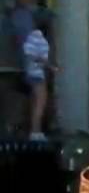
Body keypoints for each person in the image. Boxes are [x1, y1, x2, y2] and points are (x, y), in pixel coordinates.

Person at [23, 11, 54, 140]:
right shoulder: (38, 38)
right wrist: (48, 65)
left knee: (35, 103)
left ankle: (35, 131)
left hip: (32, 73)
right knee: (40, 103)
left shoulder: (32, 36)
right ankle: (35, 132)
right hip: (36, 74)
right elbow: (31, 54)